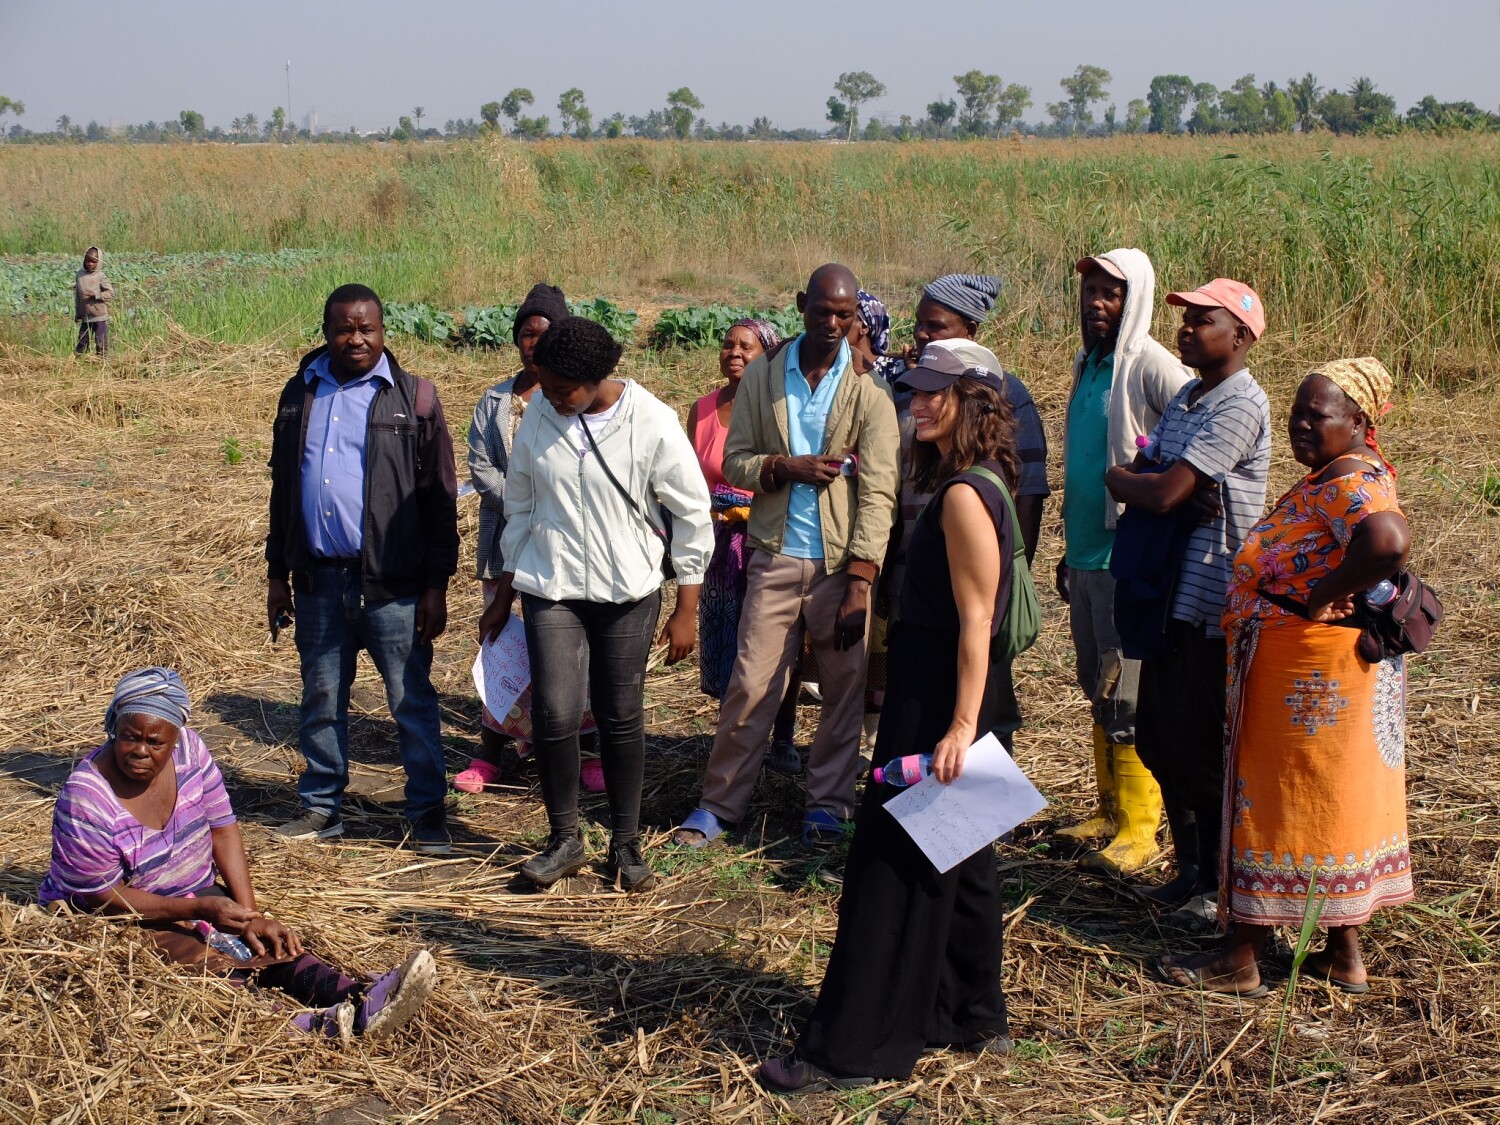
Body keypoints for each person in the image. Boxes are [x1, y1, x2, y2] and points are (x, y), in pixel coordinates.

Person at [758, 341, 1021, 1094]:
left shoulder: (966, 496)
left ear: (974, 401)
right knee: (963, 860)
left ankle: (851, 1049)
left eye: (939, 394)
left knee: (887, 867)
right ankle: (973, 1013)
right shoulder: (981, 482)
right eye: (917, 393)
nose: (920, 404)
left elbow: (976, 621)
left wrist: (959, 728)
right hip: (955, 690)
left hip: (942, 696)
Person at [1159, 359, 1412, 997]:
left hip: (1304, 676)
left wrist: (1326, 591)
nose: (1300, 425)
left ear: (1359, 422)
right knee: (1327, 800)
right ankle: (1343, 951)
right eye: (1297, 412)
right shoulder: (1349, 473)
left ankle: (1241, 955)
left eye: (1316, 415)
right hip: (1327, 675)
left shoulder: (1347, 484)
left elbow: (1386, 539)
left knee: (1269, 801)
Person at [38, 668, 439, 1040]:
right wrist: (196, 912)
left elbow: (224, 830)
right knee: (201, 960)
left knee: (269, 945)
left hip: (192, 893)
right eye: (129, 737)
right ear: (113, 729)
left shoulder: (191, 753)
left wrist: (252, 917)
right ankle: (303, 1025)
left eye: (154, 741)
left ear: (175, 738)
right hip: (116, 916)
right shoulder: (87, 799)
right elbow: (102, 897)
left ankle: (357, 999)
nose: (140, 750)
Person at [480, 315, 713, 892]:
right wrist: (503, 593)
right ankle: (564, 841)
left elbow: (690, 515)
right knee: (554, 714)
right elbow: (523, 506)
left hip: (628, 592)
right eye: (546, 388)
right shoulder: (540, 414)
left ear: (598, 376)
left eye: (563, 390)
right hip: (550, 585)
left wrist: (687, 608)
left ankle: (627, 847)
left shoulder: (651, 421)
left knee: (619, 715)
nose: (552, 400)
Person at [672, 264, 900, 850]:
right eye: (821, 311)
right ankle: (720, 804)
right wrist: (782, 468)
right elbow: (737, 459)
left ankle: (827, 804)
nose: (832, 323)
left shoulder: (868, 389)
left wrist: (860, 579)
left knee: (843, 691)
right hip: (773, 556)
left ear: (855, 319)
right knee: (751, 684)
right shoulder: (765, 378)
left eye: (844, 315)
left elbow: (878, 489)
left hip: (838, 565)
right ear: (802, 305)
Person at [265, 284, 460, 854]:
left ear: (383, 331)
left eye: (366, 329)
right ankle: (322, 806)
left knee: (411, 702)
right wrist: (278, 572)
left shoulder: (414, 398)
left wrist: (435, 586)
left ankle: (427, 813)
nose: (356, 339)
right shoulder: (300, 393)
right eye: (344, 329)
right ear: (326, 332)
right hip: (320, 579)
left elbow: (439, 498)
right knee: (321, 698)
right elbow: (282, 491)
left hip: (395, 587)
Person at [1105, 279, 1271, 925]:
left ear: (1241, 336)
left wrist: (1142, 481)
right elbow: (1152, 478)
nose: (1187, 329)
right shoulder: (1186, 395)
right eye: (1187, 319)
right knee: (1156, 738)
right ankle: (1189, 868)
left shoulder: (1240, 404)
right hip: (1168, 589)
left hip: (1209, 597)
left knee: (1199, 746)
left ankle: (1217, 884)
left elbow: (1167, 488)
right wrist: (1136, 480)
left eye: (1204, 320)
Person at [1055, 249, 1191, 876]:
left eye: (1111, 293)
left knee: (1128, 692)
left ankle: (1142, 829)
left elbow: (1194, 427)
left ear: (1134, 298)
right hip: (1085, 553)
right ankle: (1109, 810)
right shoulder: (1089, 362)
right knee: (1097, 685)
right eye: (1090, 291)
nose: (1096, 303)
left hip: (1125, 557)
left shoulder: (1150, 364)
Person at [453, 284, 603, 794]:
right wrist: (526, 504)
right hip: (503, 544)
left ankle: (581, 750)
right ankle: (492, 749)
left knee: (568, 652)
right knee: (504, 648)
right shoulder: (494, 400)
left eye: (543, 334)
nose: (533, 344)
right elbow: (480, 466)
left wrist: (543, 506)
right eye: (525, 334)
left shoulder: (577, 398)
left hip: (564, 548)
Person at [689, 318, 802, 775]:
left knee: (771, 640)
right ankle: (732, 734)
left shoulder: (779, 407)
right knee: (725, 637)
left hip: (765, 537)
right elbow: (688, 475)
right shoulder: (701, 409)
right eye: (727, 344)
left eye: (746, 347)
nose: (733, 352)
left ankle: (783, 735)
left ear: (767, 355)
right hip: (716, 544)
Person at [74, 246, 113, 357]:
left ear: (99, 262)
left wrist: (95, 295)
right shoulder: (80, 275)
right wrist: (78, 313)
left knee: (100, 340)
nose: (90, 264)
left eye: (93, 261)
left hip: (99, 315)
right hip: (86, 316)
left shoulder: (101, 276)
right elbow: (78, 296)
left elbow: (110, 293)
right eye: (88, 261)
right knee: (82, 341)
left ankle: (102, 363)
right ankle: (79, 362)